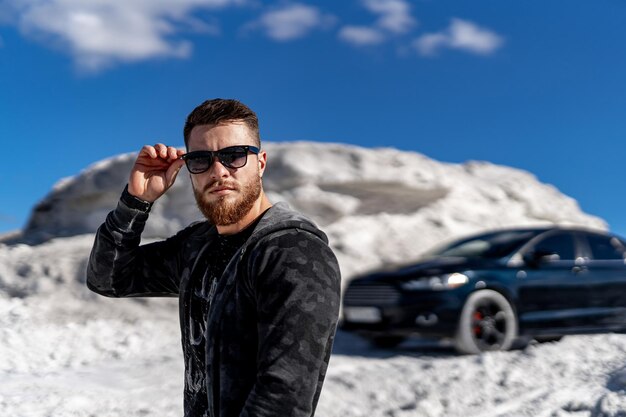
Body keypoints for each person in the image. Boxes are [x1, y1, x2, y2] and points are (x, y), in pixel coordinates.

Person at [86, 98, 341, 417]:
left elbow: (282, 398)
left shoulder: (293, 251)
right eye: (201, 159)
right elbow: (109, 279)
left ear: (260, 163)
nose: (218, 171)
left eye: (234, 155)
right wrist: (136, 203)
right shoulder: (198, 245)